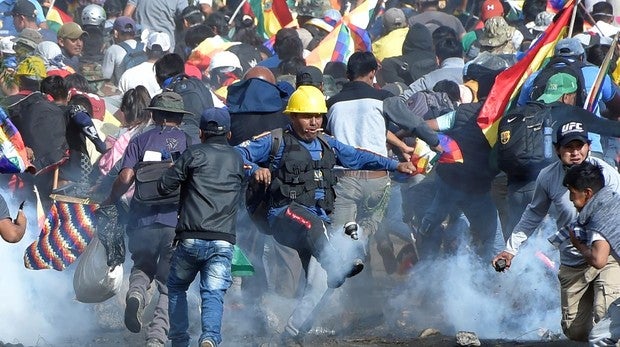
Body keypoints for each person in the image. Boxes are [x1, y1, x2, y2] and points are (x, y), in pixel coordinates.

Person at [235, 86, 416, 343]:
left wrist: (395, 164)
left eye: (318, 116)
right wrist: (254, 168)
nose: (313, 121)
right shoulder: (274, 140)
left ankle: (293, 334)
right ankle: (337, 265)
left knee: (325, 284)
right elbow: (235, 154)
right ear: (292, 117)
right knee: (319, 233)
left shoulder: (327, 144)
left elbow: (358, 157)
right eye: (306, 116)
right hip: (284, 215)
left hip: (316, 224)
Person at [493, 121, 620, 341]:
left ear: (588, 146)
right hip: (573, 261)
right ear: (557, 150)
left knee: (605, 314)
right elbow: (533, 214)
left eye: (579, 146)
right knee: (575, 330)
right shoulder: (547, 177)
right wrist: (510, 250)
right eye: (568, 147)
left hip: (607, 256)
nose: (575, 152)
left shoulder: (607, 174)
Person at [102, 92, 193, 347]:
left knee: (142, 266)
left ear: (153, 114)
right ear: (179, 118)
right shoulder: (188, 142)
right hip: (174, 222)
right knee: (169, 283)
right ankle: (156, 337)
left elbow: (125, 177)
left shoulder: (140, 140)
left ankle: (136, 294)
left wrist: (110, 200)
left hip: (141, 220)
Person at [160, 107, 244, 347]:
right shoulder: (237, 158)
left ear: (200, 133)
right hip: (223, 240)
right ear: (228, 134)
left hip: (191, 238)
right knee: (213, 293)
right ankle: (209, 338)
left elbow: (165, 186)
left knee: (176, 287)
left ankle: (178, 340)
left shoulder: (192, 154)